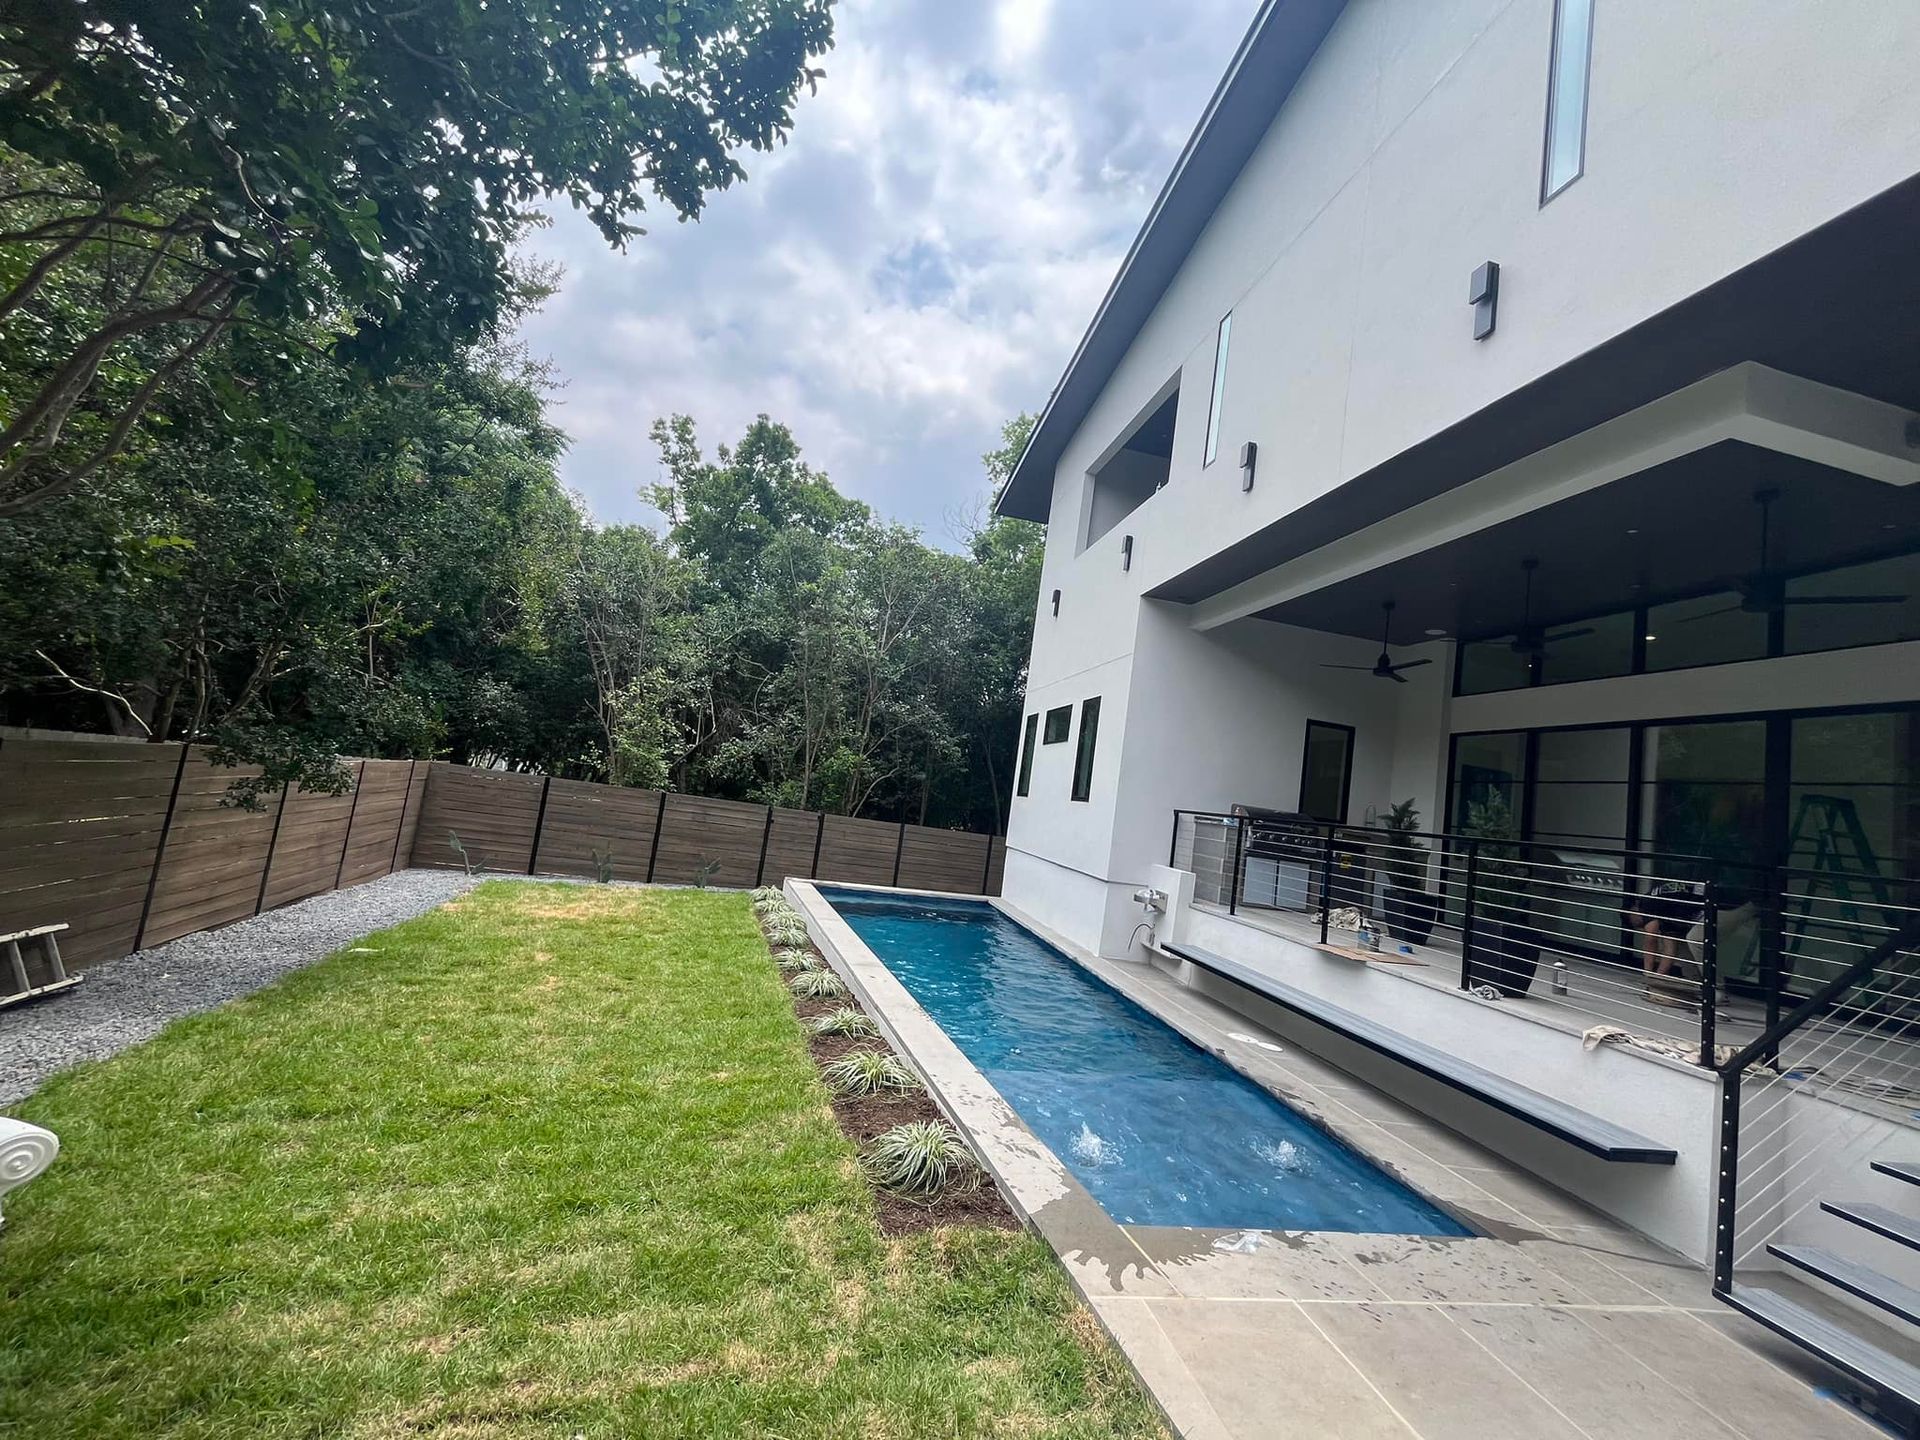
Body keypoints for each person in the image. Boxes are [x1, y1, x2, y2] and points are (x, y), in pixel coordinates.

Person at [1633, 879, 1704, 1007]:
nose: (1643, 927)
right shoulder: (1667, 914)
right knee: (1683, 946)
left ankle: (1714, 988)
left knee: (1694, 940)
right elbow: (1670, 951)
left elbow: (1651, 939)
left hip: (1712, 903)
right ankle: (1696, 985)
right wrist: (1657, 979)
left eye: (1640, 925)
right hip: (1697, 906)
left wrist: (1648, 974)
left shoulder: (1647, 903)